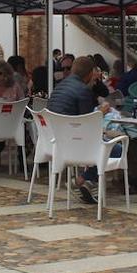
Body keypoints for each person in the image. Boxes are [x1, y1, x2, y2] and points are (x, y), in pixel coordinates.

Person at [46, 55, 110, 204]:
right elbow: (88, 124)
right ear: (89, 73)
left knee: (105, 142)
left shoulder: (58, 87)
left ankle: (86, 182)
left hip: (55, 142)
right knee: (116, 148)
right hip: (75, 144)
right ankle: (82, 180)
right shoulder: (83, 91)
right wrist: (101, 112)